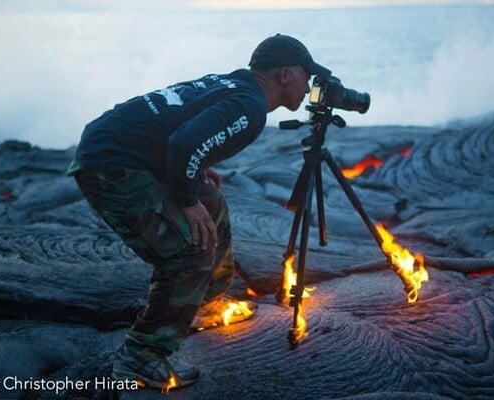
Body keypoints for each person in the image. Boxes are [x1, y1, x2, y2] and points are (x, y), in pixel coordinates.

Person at [66, 34, 331, 390]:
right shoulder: (250, 106)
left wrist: (194, 170)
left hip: (118, 147)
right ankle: (141, 357)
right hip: (111, 165)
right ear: (285, 74)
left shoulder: (234, 83)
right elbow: (183, 142)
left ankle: (204, 302)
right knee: (190, 251)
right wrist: (187, 200)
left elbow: (182, 126)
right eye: (306, 74)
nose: (309, 83)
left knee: (212, 200)